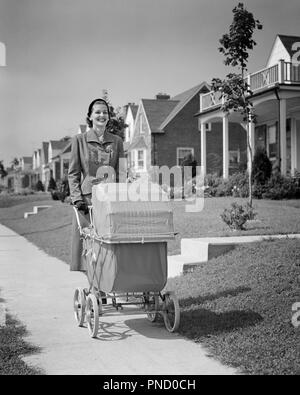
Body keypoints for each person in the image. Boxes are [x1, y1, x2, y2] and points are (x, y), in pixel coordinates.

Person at [68, 98, 125, 272]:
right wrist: (77, 199)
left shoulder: (117, 141)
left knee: (109, 243)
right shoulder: (79, 140)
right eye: (97, 112)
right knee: (89, 245)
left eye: (105, 112)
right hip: (87, 201)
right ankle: (95, 288)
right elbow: (73, 173)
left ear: (109, 117)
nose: (101, 115)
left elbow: (121, 172)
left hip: (110, 200)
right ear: (90, 116)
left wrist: (122, 196)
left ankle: (108, 285)